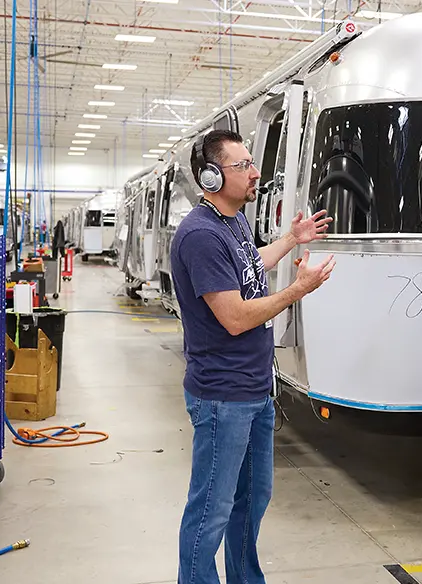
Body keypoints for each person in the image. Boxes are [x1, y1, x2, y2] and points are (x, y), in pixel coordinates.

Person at [171, 129, 336, 584]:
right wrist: (297, 290)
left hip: (254, 389)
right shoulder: (200, 235)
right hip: (223, 394)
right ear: (210, 176)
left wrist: (290, 239)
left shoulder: (234, 222)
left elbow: (247, 265)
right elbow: (236, 318)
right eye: (243, 165)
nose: (255, 173)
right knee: (211, 509)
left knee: (252, 498)